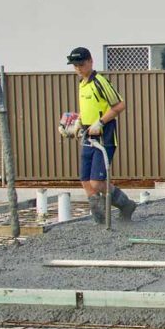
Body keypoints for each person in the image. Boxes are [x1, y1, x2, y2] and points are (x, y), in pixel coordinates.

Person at [66, 47, 136, 223]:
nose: (78, 69)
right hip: (88, 135)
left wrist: (101, 122)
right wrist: (78, 121)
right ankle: (101, 220)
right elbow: (88, 109)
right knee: (85, 180)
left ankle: (126, 204)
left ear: (90, 61)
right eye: (75, 66)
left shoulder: (99, 82)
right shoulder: (82, 84)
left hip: (104, 136)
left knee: (97, 182)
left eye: (81, 65)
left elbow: (119, 105)